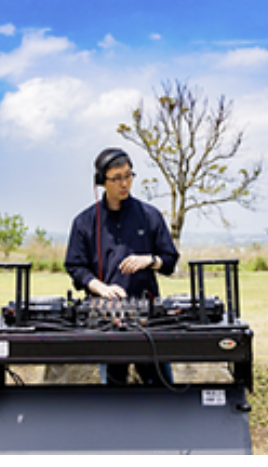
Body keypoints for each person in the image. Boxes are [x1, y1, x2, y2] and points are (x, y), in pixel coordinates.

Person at [65, 147, 181, 386]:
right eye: (116, 178)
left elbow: (170, 260)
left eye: (128, 175)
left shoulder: (150, 216)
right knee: (114, 392)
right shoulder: (84, 222)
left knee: (162, 389)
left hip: (149, 317)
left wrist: (151, 260)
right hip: (105, 320)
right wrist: (100, 287)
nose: (124, 183)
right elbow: (75, 266)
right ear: (101, 181)